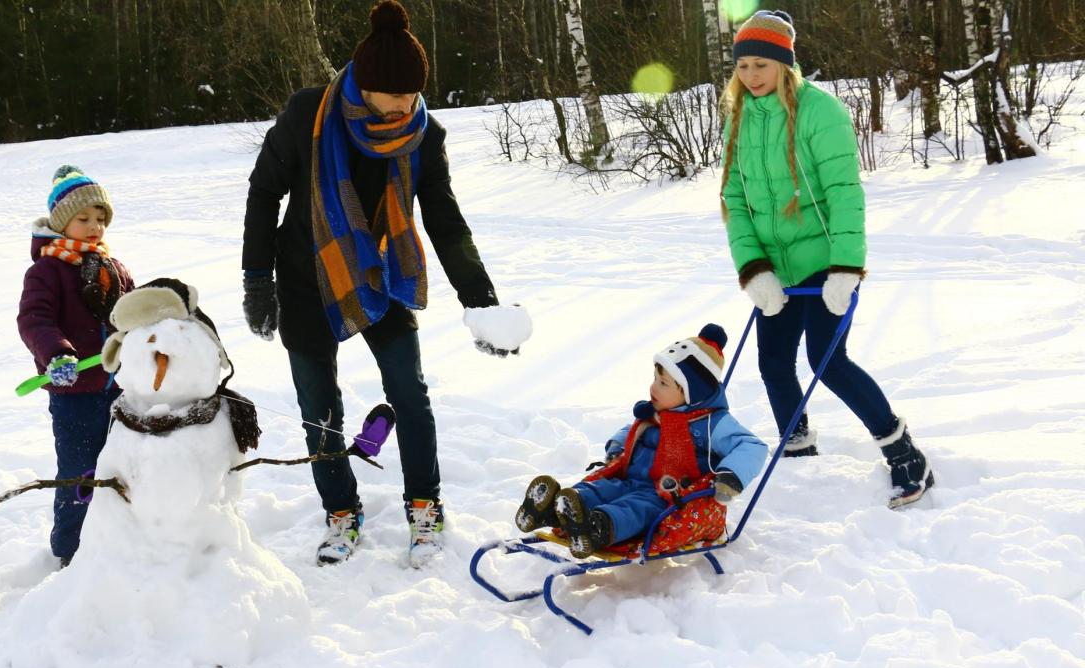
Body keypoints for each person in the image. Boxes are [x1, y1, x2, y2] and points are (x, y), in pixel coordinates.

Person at [241, 0, 526, 567]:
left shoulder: (423, 134)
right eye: (394, 94)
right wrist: (257, 279)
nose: (405, 105)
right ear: (364, 86)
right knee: (318, 407)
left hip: (383, 277)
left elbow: (444, 219)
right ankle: (341, 512)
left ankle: (425, 504)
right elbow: (263, 193)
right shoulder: (307, 116)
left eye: (413, 94)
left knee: (410, 395)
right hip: (305, 277)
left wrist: (481, 300)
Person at [718, 10, 936, 508]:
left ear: (784, 65)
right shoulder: (738, 115)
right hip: (776, 268)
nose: (751, 76)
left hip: (824, 262)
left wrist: (845, 268)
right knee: (772, 361)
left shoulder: (821, 112)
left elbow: (844, 194)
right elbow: (734, 197)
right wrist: (753, 269)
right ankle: (797, 448)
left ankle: (904, 454)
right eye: (743, 65)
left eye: (761, 65)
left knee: (825, 360)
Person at [514, 325, 767, 559]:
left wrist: (730, 475)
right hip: (631, 479)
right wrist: (618, 445)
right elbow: (634, 429)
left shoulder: (712, 423)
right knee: (603, 489)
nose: (653, 388)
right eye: (655, 379)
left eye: (663, 383)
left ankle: (598, 527)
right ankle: (557, 509)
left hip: (666, 494)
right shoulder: (658, 411)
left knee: (636, 509)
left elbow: (752, 446)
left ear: (691, 394)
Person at [18, 165, 134, 566]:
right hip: (75, 395)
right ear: (61, 222)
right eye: (83, 218)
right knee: (80, 474)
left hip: (121, 390)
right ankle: (71, 552)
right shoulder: (47, 271)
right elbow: (35, 320)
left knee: (124, 467)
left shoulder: (113, 268)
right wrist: (57, 354)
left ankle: (123, 539)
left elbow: (131, 316)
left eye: (100, 219)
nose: (94, 227)